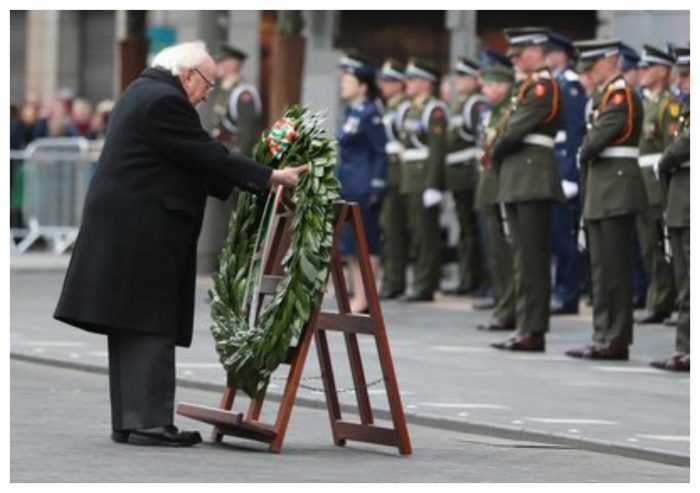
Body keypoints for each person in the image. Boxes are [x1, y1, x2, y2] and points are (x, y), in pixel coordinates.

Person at [53, 42, 306, 446]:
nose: (207, 94)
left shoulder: (142, 91)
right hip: (144, 227)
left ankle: (132, 420)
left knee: (130, 322)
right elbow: (205, 154)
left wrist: (245, 179)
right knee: (151, 319)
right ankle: (151, 422)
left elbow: (187, 159)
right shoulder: (165, 100)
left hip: (131, 224)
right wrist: (270, 177)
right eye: (207, 84)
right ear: (188, 74)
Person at [565, 39, 646, 361]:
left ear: (611, 60)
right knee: (601, 269)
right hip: (602, 187)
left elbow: (596, 141)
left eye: (592, 66)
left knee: (615, 270)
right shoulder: (605, 95)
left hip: (616, 187)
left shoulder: (620, 94)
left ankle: (615, 338)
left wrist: (583, 150)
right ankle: (602, 335)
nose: (587, 73)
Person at [490, 27, 564, 352]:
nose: (516, 61)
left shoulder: (542, 86)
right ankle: (525, 325)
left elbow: (514, 131)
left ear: (536, 51)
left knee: (532, 259)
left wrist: (494, 149)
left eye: (520, 54)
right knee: (522, 258)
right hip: (520, 176)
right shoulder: (528, 86)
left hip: (532, 176)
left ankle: (533, 329)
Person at [336, 51, 388, 313]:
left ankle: (366, 296)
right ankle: (359, 294)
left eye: (349, 80)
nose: (343, 83)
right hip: (349, 183)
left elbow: (380, 151)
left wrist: (377, 184)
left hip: (364, 184)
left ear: (363, 86)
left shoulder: (371, 113)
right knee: (352, 243)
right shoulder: (352, 111)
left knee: (365, 242)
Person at [634, 45, 680, 324]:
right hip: (642, 179)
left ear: (662, 71)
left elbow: (670, 147)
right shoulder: (647, 102)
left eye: (647, 67)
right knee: (648, 246)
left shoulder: (668, 105)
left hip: (656, 180)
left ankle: (665, 300)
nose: (641, 72)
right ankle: (657, 298)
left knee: (661, 244)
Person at [651, 47, 690, 372]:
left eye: (688, 74)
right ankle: (684, 347)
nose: (681, 81)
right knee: (683, 278)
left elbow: (684, 145)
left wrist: (665, 160)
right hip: (680, 199)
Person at [398, 57, 449, 302]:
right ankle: (420, 280)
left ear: (427, 83)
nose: (407, 83)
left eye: (413, 79)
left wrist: (433, 185)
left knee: (426, 235)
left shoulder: (433, 110)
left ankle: (425, 283)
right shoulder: (411, 108)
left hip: (423, 179)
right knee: (416, 234)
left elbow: (437, 150)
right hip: (410, 178)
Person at [474, 51, 517, 332]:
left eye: (489, 85)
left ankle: (508, 308)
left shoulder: (508, 112)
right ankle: (502, 304)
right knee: (494, 253)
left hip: (501, 186)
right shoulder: (492, 112)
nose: (484, 89)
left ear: (503, 86)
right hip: (489, 186)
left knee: (504, 253)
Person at [545, 32, 588, 315]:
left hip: (564, 168)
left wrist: (570, 175)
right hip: (554, 166)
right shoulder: (555, 82)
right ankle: (562, 289)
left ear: (562, 54)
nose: (546, 56)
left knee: (565, 237)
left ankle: (568, 293)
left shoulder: (569, 85)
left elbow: (574, 133)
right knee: (556, 235)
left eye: (550, 51)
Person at [443, 57, 488, 296]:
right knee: (465, 228)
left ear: (474, 79)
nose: (458, 81)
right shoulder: (459, 104)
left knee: (473, 229)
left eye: (463, 77)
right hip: (457, 175)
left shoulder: (475, 104)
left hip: (469, 175)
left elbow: (478, 139)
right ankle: (467, 276)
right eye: (457, 76)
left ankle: (475, 278)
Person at [377, 58, 411, 300]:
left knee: (395, 230)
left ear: (400, 84)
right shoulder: (388, 107)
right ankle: (390, 278)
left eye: (389, 81)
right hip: (387, 172)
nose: (384, 85)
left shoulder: (404, 108)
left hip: (399, 173)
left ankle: (394, 280)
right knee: (388, 230)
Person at [204, 44, 262, 157]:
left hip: (235, 157)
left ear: (233, 64)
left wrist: (239, 163)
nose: (216, 65)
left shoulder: (243, 94)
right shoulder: (226, 91)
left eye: (221, 62)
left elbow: (247, 137)